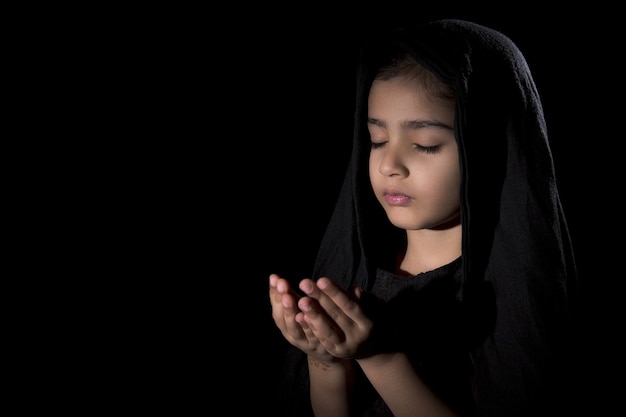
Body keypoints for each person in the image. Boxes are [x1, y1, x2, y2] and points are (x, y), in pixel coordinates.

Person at [268, 19, 581, 417]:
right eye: (377, 140)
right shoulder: (355, 271)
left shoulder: (510, 294)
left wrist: (381, 358)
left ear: (486, 148)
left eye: (424, 145)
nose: (389, 165)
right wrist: (324, 359)